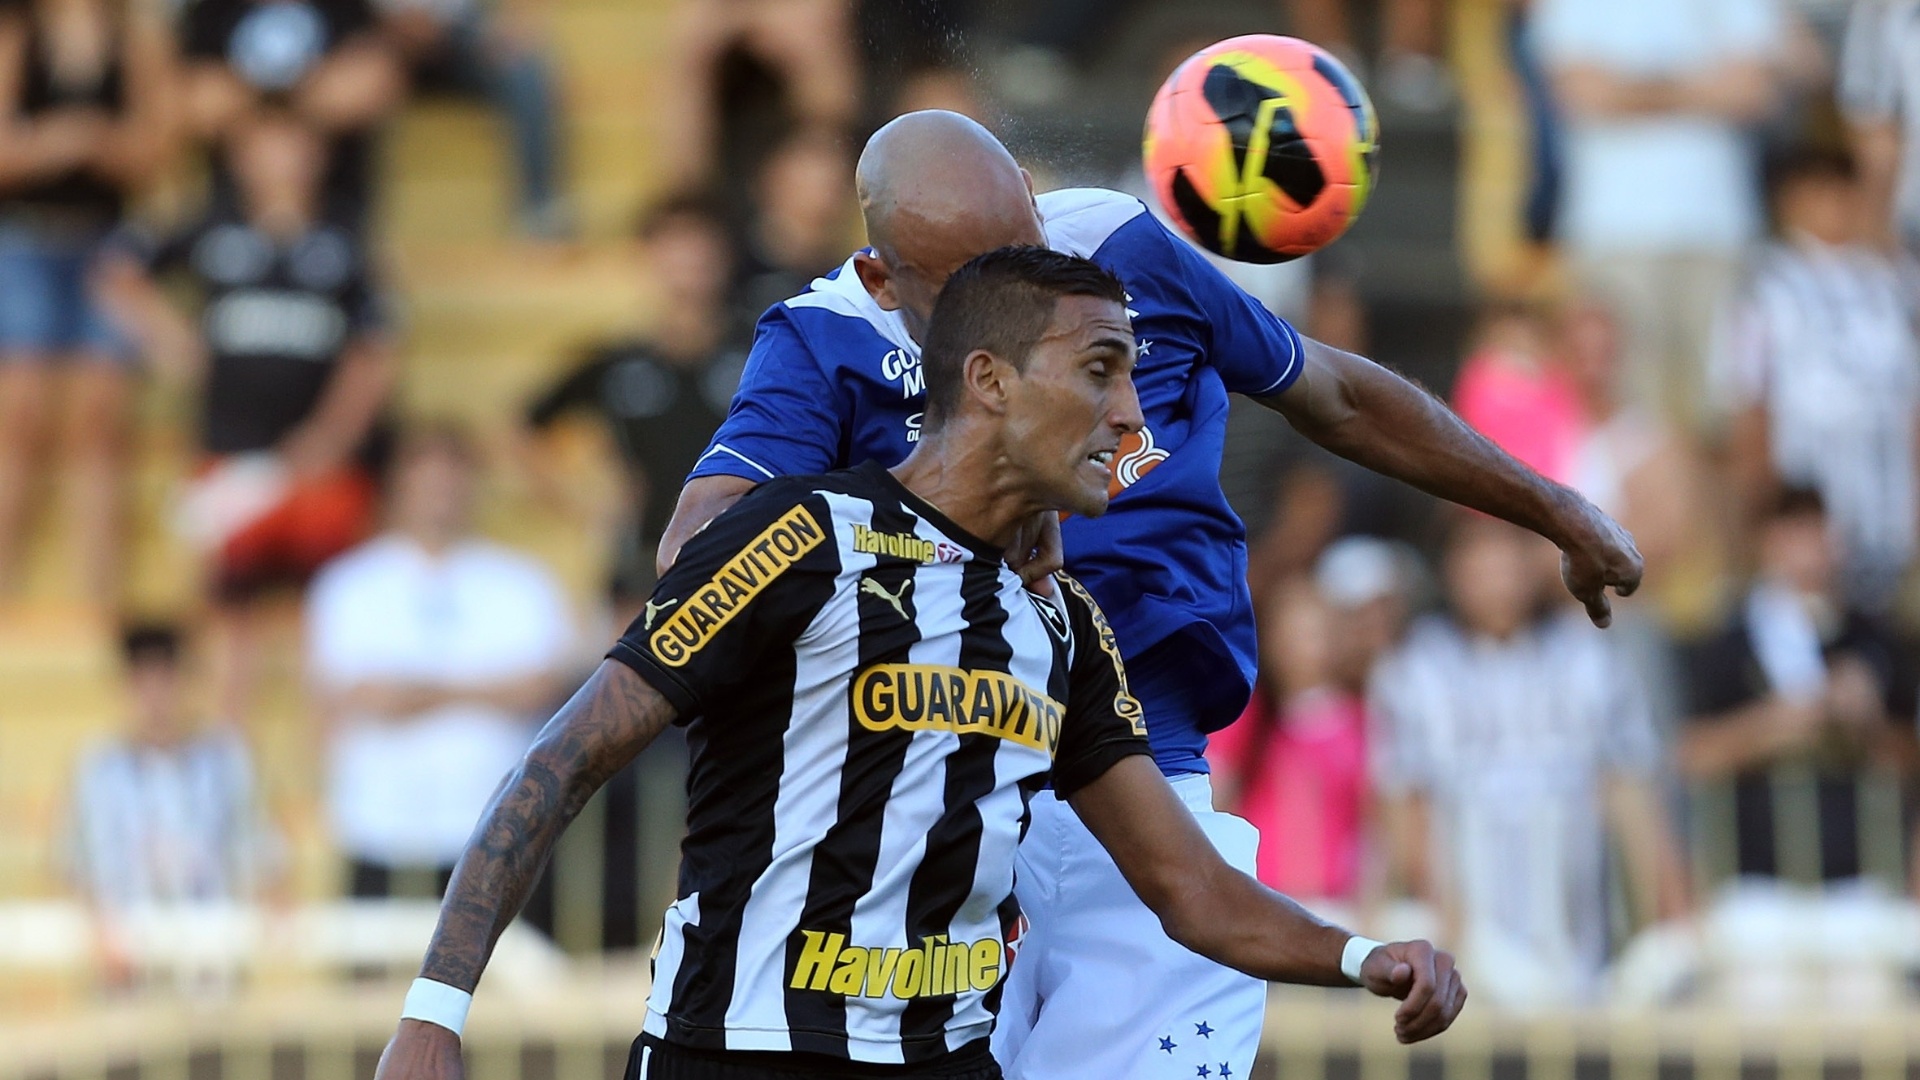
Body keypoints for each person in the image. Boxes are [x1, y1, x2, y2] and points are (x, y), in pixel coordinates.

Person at [655, 112, 1637, 1079]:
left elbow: (1331, 393)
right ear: (885, 277)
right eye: (971, 287)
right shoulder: (828, 335)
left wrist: (1554, 508)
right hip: (943, 797)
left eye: (1025, 249)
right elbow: (698, 550)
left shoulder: (1124, 247)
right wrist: (931, 540)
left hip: (1148, 774)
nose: (1021, 303)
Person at [373, 247, 1467, 1080]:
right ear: (988, 381)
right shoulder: (800, 540)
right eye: (1100, 372)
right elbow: (562, 760)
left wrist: (1365, 955)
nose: (1131, 416)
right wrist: (436, 1007)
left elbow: (1191, 890)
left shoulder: (1063, 624)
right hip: (744, 1051)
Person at [98, 109, 396, 724]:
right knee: (228, 607)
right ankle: (226, 747)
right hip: (230, 458)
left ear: (318, 155)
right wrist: (169, 339)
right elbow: (117, 273)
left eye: (295, 145)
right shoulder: (210, 228)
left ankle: (328, 755)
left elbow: (377, 345)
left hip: (315, 464)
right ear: (240, 156)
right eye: (267, 145)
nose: (282, 160)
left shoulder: (344, 238)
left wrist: (334, 434)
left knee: (328, 610)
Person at [307, 426, 573, 900]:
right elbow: (359, 697)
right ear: (398, 487)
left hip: (498, 831)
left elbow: (541, 690)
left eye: (452, 480)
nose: (440, 496)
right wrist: (483, 690)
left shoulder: (523, 583)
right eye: (427, 481)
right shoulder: (348, 586)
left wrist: (417, 692)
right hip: (379, 830)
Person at [1532, 0, 1787, 433]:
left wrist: (1634, 88)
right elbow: (1580, 92)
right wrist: (1702, 88)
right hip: (1613, 230)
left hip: (1718, 233)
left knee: (1725, 422)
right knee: (1624, 427)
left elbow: (1755, 90)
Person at [0, 0, 177, 607]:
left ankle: (99, 597)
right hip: (23, 239)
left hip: (107, 245)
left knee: (101, 424)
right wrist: (60, 145)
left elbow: (158, 151)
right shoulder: (18, 35)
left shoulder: (136, 39)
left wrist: (92, 144)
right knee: (18, 415)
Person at [1679, 486, 1920, 886]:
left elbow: (1910, 756)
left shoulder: (1874, 638)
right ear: (1764, 544)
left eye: (1817, 533)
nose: (1809, 552)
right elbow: (1692, 755)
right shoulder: (1729, 642)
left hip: (1863, 880)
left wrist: (1867, 726)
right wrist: (1775, 726)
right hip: (1759, 885)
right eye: (1792, 535)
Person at [1712, 146, 1920, 610]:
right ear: (1791, 202)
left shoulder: (1895, 282)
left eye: (1843, 194)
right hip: (1806, 488)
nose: (1835, 208)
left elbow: (1911, 397)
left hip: (1886, 495)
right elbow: (1748, 396)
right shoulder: (1763, 286)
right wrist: (1760, 502)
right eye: (1820, 194)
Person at [521, 192, 748, 617]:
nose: (687, 264)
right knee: (634, 681)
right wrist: (579, 502)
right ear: (650, 257)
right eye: (674, 247)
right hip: (642, 572)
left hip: (744, 570)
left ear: (723, 257)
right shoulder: (619, 363)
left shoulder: (760, 354)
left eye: (699, 247)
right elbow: (521, 425)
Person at [63, 623, 277, 987]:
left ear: (186, 680)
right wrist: (99, 928)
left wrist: (253, 923)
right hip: (125, 970)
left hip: (212, 969)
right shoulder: (97, 768)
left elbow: (265, 856)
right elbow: (73, 866)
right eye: (142, 680)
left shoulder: (226, 760)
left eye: (165, 678)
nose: (155, 694)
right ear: (125, 686)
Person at [180, 0, 405, 229]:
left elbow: (371, 82)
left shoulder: (345, 7)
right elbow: (196, 100)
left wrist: (261, 100)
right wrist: (298, 98)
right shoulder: (213, 11)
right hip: (224, 215)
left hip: (343, 208)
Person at [373, 0, 568, 237]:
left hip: (460, 35)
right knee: (353, 85)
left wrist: (510, 24)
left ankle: (540, 207)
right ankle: (347, 220)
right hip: (376, 36)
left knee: (523, 71)